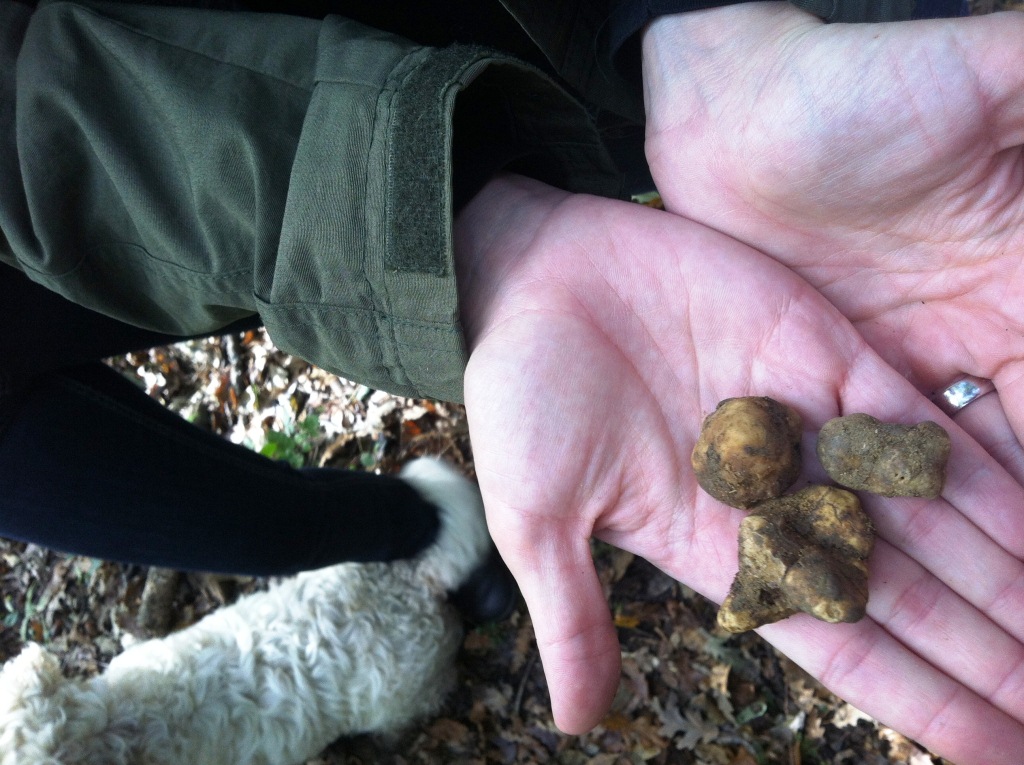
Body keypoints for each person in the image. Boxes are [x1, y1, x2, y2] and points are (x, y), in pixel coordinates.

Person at [2, 2, 1023, 764]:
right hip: (182, 181)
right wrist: (461, 227)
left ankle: (413, 523)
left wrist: (692, 24)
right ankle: (409, 526)